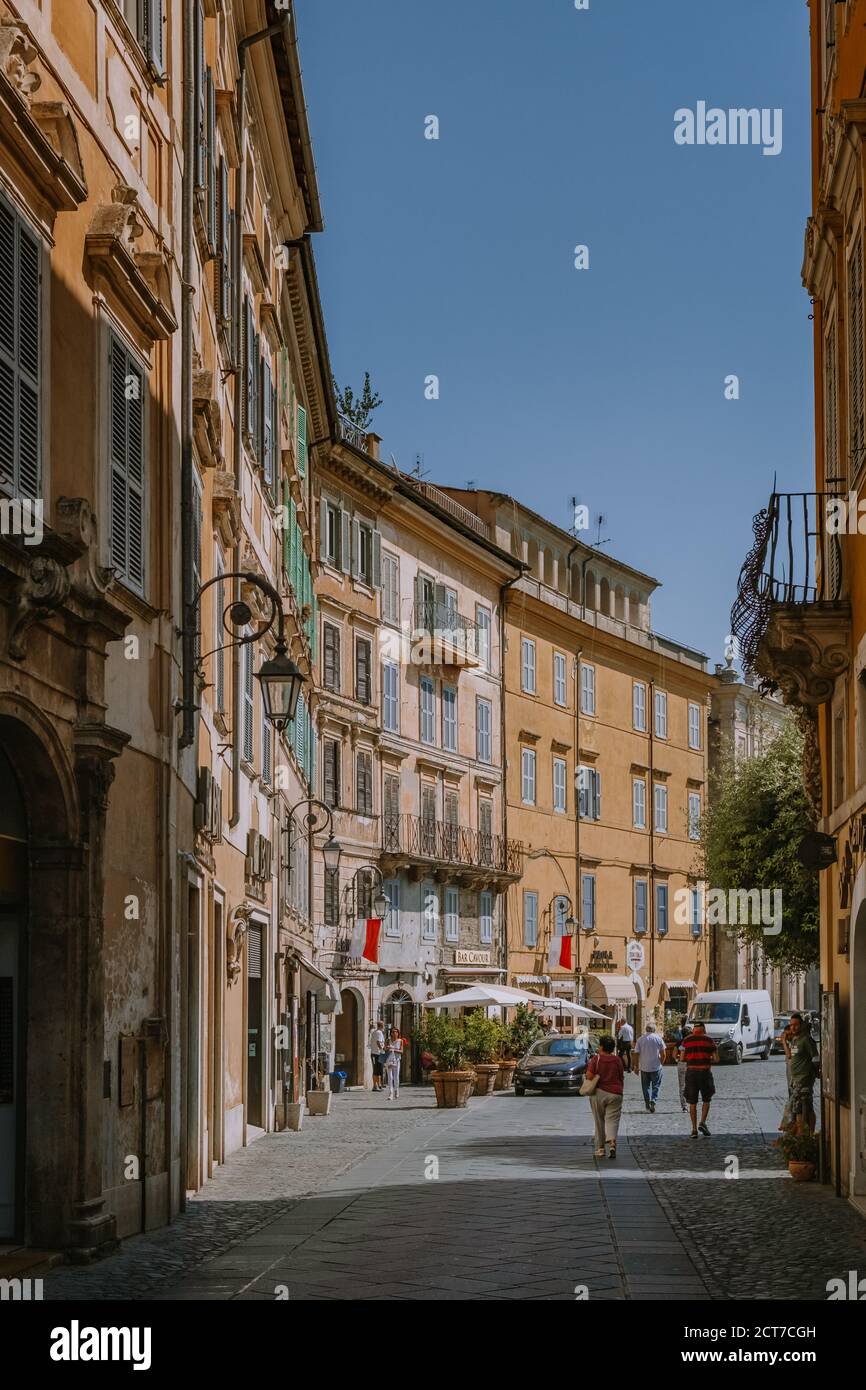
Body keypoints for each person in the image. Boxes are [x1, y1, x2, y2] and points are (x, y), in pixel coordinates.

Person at [586, 1035, 625, 1160]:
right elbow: (621, 1076)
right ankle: (612, 1144)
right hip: (616, 1093)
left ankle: (601, 1149)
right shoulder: (617, 1060)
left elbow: (590, 1076)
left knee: (599, 1121)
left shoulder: (596, 1059)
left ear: (601, 1046)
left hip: (599, 1093)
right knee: (613, 1120)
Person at [680, 1020, 718, 1137]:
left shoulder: (686, 1040)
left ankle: (694, 1129)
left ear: (694, 1029)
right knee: (706, 1099)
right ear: (704, 1029)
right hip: (705, 1072)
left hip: (691, 1072)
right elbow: (716, 1059)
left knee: (692, 1102)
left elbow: (682, 1058)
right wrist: (707, 1059)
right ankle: (702, 1122)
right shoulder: (709, 1040)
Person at [784, 1012, 820, 1135]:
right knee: (800, 1109)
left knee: (802, 1108)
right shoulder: (795, 1040)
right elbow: (791, 1055)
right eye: (791, 1025)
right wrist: (784, 1040)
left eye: (795, 1025)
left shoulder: (806, 1039)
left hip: (804, 1079)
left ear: (801, 1025)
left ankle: (808, 1135)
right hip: (796, 1080)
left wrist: (816, 1072)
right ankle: (804, 1136)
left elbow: (815, 1057)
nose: (792, 1028)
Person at [634, 1018, 666, 1111]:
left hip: (644, 1067)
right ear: (654, 1030)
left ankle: (647, 1103)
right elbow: (664, 1053)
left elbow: (636, 1054)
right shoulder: (658, 1039)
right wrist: (661, 1063)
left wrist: (636, 1066)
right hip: (656, 1066)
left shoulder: (640, 1039)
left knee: (645, 1086)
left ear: (646, 1029)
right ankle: (654, 1100)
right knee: (656, 1085)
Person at [675, 1017, 692, 1112]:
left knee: (682, 1086)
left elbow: (675, 1055)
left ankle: (684, 1106)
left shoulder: (679, 1042)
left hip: (682, 1065)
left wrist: (677, 1059)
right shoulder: (693, 1042)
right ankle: (691, 1103)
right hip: (692, 1065)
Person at [384, 1025, 404, 1100]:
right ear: (391, 1033)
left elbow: (401, 1051)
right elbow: (384, 1049)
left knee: (396, 1077)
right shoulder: (388, 1040)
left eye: (396, 1032)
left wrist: (393, 1049)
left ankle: (396, 1090)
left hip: (397, 1060)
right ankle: (390, 1093)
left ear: (398, 1033)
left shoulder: (400, 1041)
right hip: (388, 1061)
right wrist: (386, 1048)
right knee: (390, 1077)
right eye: (393, 1032)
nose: (394, 1033)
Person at [368, 1019, 385, 1092]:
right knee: (376, 1070)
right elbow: (378, 1042)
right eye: (383, 1025)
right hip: (376, 1054)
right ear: (381, 1026)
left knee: (378, 1070)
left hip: (376, 1053)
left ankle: (378, 1085)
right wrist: (381, 1049)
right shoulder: (379, 1033)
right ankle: (375, 1086)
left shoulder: (375, 1032)